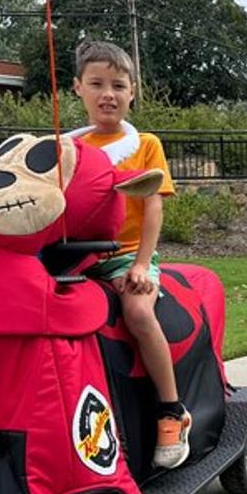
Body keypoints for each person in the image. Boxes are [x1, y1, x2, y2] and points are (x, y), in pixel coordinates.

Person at [70, 41, 188, 469]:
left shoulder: (145, 145)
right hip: (78, 257)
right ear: (77, 88)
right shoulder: (68, 149)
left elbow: (153, 204)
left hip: (124, 254)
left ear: (132, 91)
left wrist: (141, 263)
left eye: (118, 85)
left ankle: (172, 410)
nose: (108, 94)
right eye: (97, 84)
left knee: (137, 312)